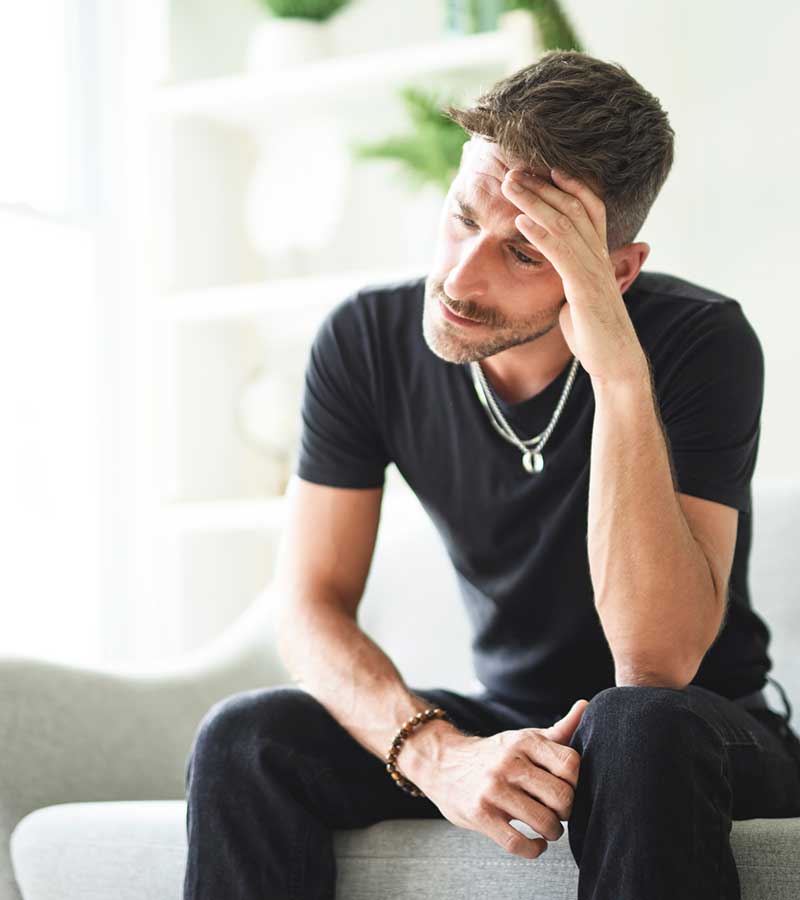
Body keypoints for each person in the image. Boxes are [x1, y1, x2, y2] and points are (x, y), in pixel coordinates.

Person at [182, 50, 800, 900]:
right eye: (463, 217)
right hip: (515, 717)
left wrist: (618, 372)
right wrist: (440, 755)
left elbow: (655, 663)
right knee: (249, 738)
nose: (462, 278)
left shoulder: (702, 343)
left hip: (698, 725)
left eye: (525, 253)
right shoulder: (364, 343)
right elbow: (308, 604)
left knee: (635, 727)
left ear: (614, 272)